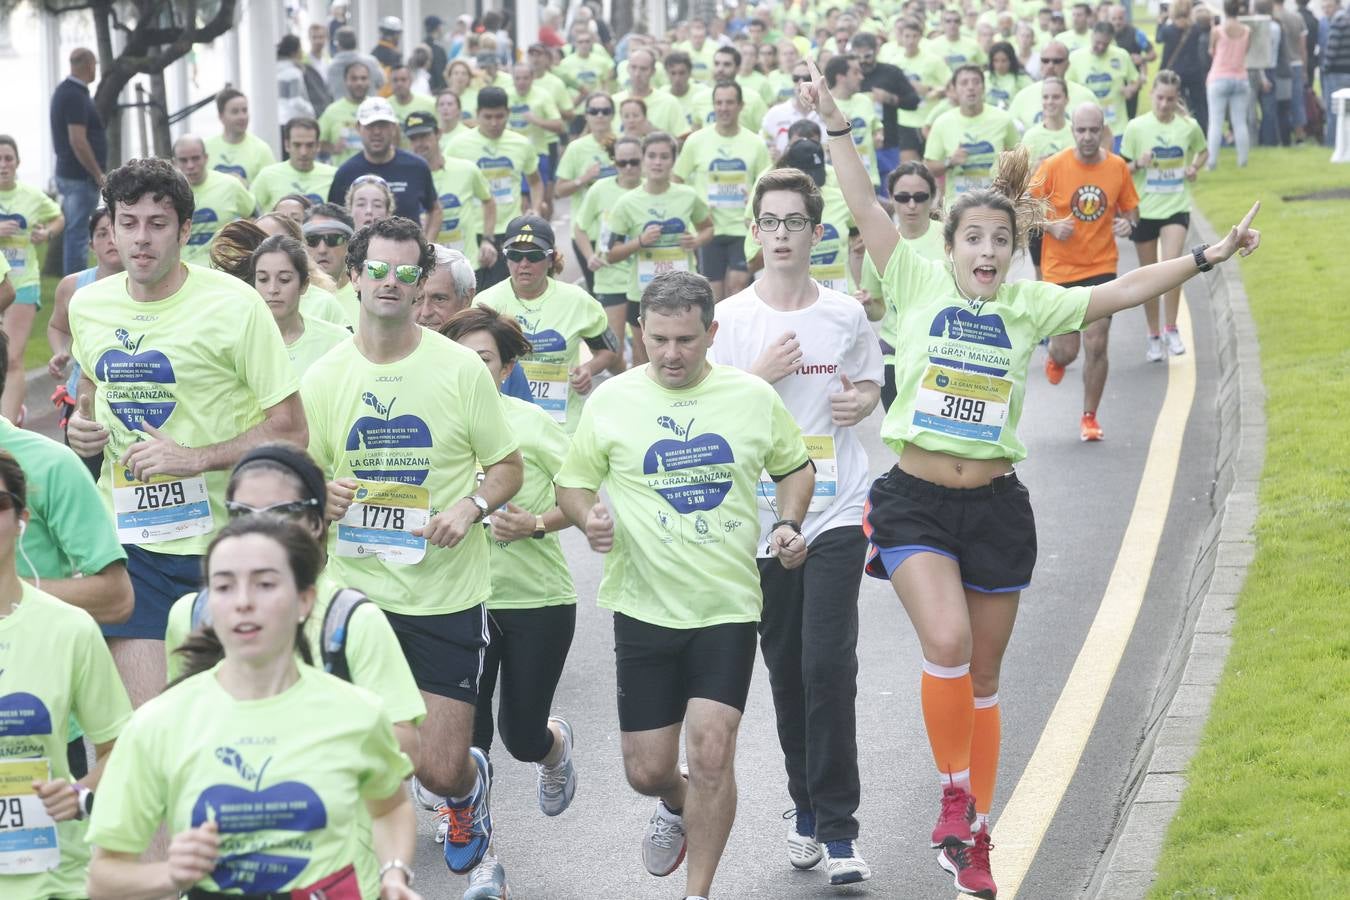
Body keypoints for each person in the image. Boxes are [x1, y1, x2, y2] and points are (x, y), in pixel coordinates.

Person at [802, 56, 1261, 900]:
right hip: (913, 504)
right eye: (972, 238)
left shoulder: (1031, 305)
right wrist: (834, 122)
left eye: (999, 241)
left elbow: (1123, 288)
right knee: (944, 645)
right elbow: (865, 201)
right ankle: (952, 797)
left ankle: (974, 831)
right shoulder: (908, 278)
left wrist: (1208, 257)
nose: (986, 250)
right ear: (947, 247)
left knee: (983, 677)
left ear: (1018, 251)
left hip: (997, 509)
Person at [555, 270, 815, 900]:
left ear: (712, 334)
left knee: (712, 753)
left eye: (687, 340)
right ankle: (674, 801)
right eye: (659, 339)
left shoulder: (751, 396)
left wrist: (786, 524)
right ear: (640, 332)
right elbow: (573, 480)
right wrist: (586, 514)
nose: (671, 354)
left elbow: (796, 468)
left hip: (725, 605)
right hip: (642, 608)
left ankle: (697, 892)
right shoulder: (612, 402)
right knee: (646, 770)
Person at [301, 215, 524, 880]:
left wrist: (471, 505)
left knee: (440, 767)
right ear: (354, 276)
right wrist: (324, 497)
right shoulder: (324, 376)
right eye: (377, 270)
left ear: (420, 279)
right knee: (354, 756)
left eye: (406, 272)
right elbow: (301, 481)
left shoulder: (459, 369)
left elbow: (507, 466)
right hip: (356, 595)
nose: (390, 283)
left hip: (444, 591)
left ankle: (467, 789)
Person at [65, 158, 306, 708]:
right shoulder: (90, 305)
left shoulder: (235, 305)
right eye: (129, 223)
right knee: (149, 725)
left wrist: (193, 459)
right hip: (129, 543)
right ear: (112, 227)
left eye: (158, 223)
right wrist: (84, 431)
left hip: (222, 544)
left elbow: (291, 431)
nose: (141, 239)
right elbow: (92, 395)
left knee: (224, 717)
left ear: (184, 230)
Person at [85, 515, 422, 900]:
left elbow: (389, 808)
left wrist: (394, 875)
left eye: (264, 584)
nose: (243, 602)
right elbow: (103, 879)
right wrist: (171, 874)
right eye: (224, 587)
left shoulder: (357, 712)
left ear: (304, 600)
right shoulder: (159, 722)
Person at [710, 167, 883, 887]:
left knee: (827, 664)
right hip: (761, 518)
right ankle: (804, 809)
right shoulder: (731, 318)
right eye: (770, 222)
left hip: (837, 507)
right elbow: (711, 415)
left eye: (795, 222)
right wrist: (758, 376)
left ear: (818, 233)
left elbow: (872, 385)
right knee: (786, 671)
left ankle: (840, 830)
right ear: (755, 232)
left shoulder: (844, 314)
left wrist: (859, 404)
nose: (782, 234)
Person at [441, 304, 579, 897]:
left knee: (520, 736)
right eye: (462, 360)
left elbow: (584, 498)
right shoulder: (434, 425)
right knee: (466, 743)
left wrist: (537, 525)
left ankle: (553, 745)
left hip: (537, 600)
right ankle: (483, 862)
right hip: (456, 600)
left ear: (504, 370)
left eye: (485, 360)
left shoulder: (534, 424)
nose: (474, 371)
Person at [0, 448, 133, 900]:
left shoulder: (69, 629)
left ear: (22, 518)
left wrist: (78, 794)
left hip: (52, 882)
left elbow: (122, 750)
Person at [1037, 103, 1140, 442]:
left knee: (1097, 343)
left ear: (1103, 130)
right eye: (1081, 130)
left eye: (1094, 130)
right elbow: (1025, 211)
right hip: (1061, 270)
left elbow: (1131, 210)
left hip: (1101, 267)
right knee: (1068, 350)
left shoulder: (1117, 167)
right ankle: (1057, 357)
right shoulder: (1053, 167)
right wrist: (1051, 227)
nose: (1087, 137)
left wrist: (1129, 224)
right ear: (1072, 131)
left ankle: (1089, 417)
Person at [475, 216, 616, 430]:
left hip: (562, 426)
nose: (524, 264)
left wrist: (588, 369)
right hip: (505, 425)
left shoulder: (577, 300)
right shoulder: (485, 302)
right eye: (515, 255)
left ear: (551, 259)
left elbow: (608, 351)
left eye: (533, 255)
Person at [1122, 70, 1208, 362]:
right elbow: (1121, 169)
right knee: (1149, 277)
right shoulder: (1136, 127)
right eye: (1159, 98)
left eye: (1170, 99)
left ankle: (1171, 328)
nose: (1164, 104)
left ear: (1177, 99)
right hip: (1144, 209)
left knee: (1172, 267)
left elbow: (1202, 151)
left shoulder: (1188, 126)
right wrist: (1138, 162)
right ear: (1151, 96)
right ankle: (1153, 335)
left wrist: (1194, 168)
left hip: (1175, 205)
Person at [607, 132, 714, 366]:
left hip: (685, 290)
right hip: (643, 291)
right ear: (643, 160)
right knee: (644, 358)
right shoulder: (626, 202)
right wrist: (640, 242)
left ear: (673, 160)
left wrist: (695, 241)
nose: (658, 162)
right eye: (652, 156)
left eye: (664, 157)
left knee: (683, 353)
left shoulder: (687, 195)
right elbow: (610, 253)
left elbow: (708, 228)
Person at [859, 162, 946, 412]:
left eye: (920, 197)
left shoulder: (951, 238)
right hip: (895, 353)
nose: (911, 205)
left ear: (932, 198)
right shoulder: (879, 245)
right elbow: (878, 310)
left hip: (941, 353)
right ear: (891, 199)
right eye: (903, 197)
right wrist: (867, 305)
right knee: (904, 442)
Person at [674, 81, 772, 301]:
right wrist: (694, 209)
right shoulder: (696, 141)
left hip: (741, 227)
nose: (723, 108)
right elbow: (677, 179)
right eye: (719, 103)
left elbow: (766, 183)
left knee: (737, 289)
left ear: (740, 106)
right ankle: (717, 335)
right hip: (709, 229)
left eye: (729, 103)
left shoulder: (756, 143)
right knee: (712, 296)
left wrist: (755, 201)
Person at [443, 87, 542, 290]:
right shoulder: (458, 145)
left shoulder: (521, 144)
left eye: (500, 116)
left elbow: (535, 181)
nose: (494, 123)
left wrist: (536, 209)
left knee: (507, 292)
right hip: (471, 233)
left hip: (510, 231)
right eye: (487, 117)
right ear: (477, 114)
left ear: (508, 113)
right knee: (471, 293)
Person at [47, 207, 123, 458]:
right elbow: (58, 325)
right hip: (83, 399)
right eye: (102, 234)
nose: (111, 240)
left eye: (116, 231)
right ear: (91, 244)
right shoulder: (72, 286)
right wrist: (60, 352)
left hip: (134, 401)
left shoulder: (153, 286)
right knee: (86, 480)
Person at [0, 135, 64, 424]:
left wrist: (46, 234)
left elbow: (58, 216)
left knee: (12, 356)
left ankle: (8, 428)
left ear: (17, 162)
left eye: (8, 159)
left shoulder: (31, 195)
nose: (2, 165)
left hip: (22, 281)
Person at [573, 135, 643, 373]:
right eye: (623, 163)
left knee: (646, 354)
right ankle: (626, 382)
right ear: (614, 163)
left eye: (634, 161)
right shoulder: (600, 189)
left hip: (645, 280)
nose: (629, 168)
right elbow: (580, 227)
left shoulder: (650, 191)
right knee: (612, 354)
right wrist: (589, 254)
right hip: (610, 277)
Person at [329, 98, 441, 238]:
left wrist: (426, 247)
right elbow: (333, 221)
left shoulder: (417, 167)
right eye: (370, 126)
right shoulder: (345, 173)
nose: (377, 132)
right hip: (360, 258)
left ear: (394, 127)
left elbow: (435, 209)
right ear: (358, 128)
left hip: (409, 257)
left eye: (382, 125)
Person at [248, 234, 351, 377]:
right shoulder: (238, 342)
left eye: (284, 279)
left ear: (304, 285)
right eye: (263, 279)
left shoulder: (338, 342)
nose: (272, 289)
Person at [405, 111, 497, 269]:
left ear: (438, 133)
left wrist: (487, 239)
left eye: (424, 136)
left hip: (467, 265)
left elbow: (488, 201)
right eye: (414, 138)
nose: (419, 143)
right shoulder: (405, 177)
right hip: (425, 268)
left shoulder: (466, 169)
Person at [924, 66, 1020, 204]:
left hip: (996, 204)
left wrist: (1007, 177)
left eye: (976, 82)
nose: (971, 87)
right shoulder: (942, 122)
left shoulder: (1003, 119)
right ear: (954, 90)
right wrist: (949, 162)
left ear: (983, 87)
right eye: (964, 83)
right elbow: (928, 168)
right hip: (957, 206)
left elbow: (1020, 160)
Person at [50, 47, 107, 276]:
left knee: (75, 232)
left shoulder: (67, 91)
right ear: (89, 65)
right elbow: (78, 140)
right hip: (79, 177)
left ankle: (74, 283)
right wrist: (97, 174)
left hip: (70, 174)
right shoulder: (74, 95)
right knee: (78, 235)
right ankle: (75, 287)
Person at [170, 135, 259, 266]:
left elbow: (255, 217)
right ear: (174, 162)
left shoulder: (230, 185)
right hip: (180, 271)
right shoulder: (166, 193)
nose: (190, 165)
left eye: (195, 158)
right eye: (184, 160)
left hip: (223, 269)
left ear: (206, 158)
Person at [853, 32, 921, 192]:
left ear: (876, 50)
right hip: (858, 145)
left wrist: (890, 99)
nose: (863, 61)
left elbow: (913, 101)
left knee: (888, 192)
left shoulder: (891, 72)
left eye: (867, 56)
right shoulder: (850, 75)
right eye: (858, 56)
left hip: (887, 143)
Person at [885, 20, 952, 163]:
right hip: (905, 121)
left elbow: (951, 86)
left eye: (914, 36)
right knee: (909, 167)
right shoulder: (895, 63)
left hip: (930, 120)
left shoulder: (933, 61)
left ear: (921, 38)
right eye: (907, 36)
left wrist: (932, 90)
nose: (910, 40)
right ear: (901, 37)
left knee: (931, 167)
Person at [506, 63, 566, 222]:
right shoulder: (507, 96)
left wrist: (536, 120)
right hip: (512, 156)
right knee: (521, 202)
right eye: (517, 78)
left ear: (532, 78)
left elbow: (559, 125)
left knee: (543, 201)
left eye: (525, 78)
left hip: (539, 154)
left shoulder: (542, 96)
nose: (521, 82)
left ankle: (545, 231)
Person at [1068, 20, 1144, 142]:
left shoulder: (1121, 55)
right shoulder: (1075, 58)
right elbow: (1067, 87)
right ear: (1092, 36)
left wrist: (1131, 88)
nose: (1101, 47)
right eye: (1098, 43)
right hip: (1086, 127)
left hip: (1117, 126)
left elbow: (1135, 79)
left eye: (1106, 44)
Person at [824, 54, 885, 191]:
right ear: (840, 77)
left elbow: (877, 128)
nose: (861, 77)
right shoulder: (825, 104)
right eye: (855, 72)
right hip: (837, 183)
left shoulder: (865, 100)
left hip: (869, 178)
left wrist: (879, 136)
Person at [1008, 40, 1099, 130]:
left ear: (1067, 65)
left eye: (1057, 61)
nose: (1050, 65)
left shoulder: (1086, 97)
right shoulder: (1023, 97)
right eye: (1045, 60)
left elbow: (1103, 134)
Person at [252, 117, 338, 211]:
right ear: (287, 145)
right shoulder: (267, 176)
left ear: (318, 146)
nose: (303, 152)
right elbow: (249, 213)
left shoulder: (334, 175)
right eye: (297, 145)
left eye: (309, 145)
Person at [1206, 0, 1253, 169]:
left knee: (1216, 122)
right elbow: (1246, 51)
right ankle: (1243, 160)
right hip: (1240, 77)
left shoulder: (1217, 31)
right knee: (1240, 122)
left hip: (1219, 77)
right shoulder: (1247, 31)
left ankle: (1211, 161)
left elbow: (1212, 51)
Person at [1156, 0, 1212, 130]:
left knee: (1175, 104)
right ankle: (1202, 131)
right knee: (1200, 105)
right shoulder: (1195, 29)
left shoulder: (1168, 30)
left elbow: (1159, 38)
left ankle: (1177, 129)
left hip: (1175, 71)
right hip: (1194, 71)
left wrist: (1160, 22)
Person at [204, 88, 277, 186]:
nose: (242, 117)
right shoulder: (206, 147)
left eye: (245, 110)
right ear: (221, 116)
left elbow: (272, 188)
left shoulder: (262, 149)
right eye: (235, 112)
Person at [303, 202, 359, 325]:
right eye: (312, 240)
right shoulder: (292, 297)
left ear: (350, 245)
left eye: (333, 239)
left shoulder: (366, 295)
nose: (322, 249)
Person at [614, 48, 690, 137]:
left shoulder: (669, 102)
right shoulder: (614, 101)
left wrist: (653, 132)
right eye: (633, 67)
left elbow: (684, 140)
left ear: (653, 71)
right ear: (627, 69)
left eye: (643, 69)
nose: (637, 74)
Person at [762, 60, 827, 159]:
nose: (801, 83)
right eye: (796, 78)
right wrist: (770, 153)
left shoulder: (830, 112)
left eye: (806, 78)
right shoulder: (775, 113)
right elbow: (763, 144)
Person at [321, 59, 376, 166]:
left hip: (373, 173)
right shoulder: (332, 110)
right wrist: (333, 148)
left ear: (369, 81)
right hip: (344, 173)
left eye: (363, 78)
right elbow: (316, 142)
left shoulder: (376, 107)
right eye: (354, 79)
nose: (359, 83)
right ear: (346, 81)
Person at [415, 244, 476, 331]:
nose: (425, 313)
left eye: (439, 299)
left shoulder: (483, 343)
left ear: (467, 300)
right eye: (417, 299)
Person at [326, 26, 386, 103]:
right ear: (355, 42)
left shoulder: (330, 67)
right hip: (369, 108)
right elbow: (381, 82)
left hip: (341, 111)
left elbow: (328, 90)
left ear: (338, 44)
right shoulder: (371, 62)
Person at [278, 34, 318, 131]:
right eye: (300, 48)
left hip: (278, 118)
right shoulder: (293, 72)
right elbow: (295, 100)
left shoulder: (274, 70)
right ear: (294, 52)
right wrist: (310, 110)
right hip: (292, 119)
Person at [985, 42, 1031, 110]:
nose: (999, 65)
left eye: (1004, 61)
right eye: (996, 61)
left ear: (1011, 60)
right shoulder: (985, 76)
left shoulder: (1022, 78)